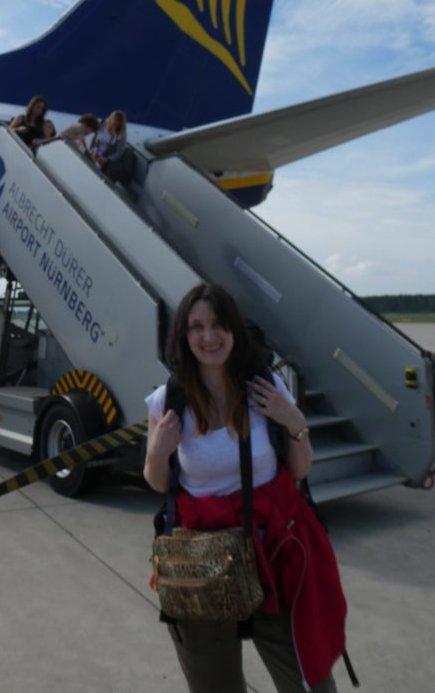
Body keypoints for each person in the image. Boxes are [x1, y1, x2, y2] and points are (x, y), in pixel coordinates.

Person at [144, 283, 347, 693]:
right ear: (184, 336)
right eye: (197, 327)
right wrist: (156, 453)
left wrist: (294, 421)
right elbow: (160, 484)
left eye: (219, 325)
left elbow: (300, 470)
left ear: (235, 331)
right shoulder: (168, 399)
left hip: (273, 552)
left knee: (311, 683)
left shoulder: (265, 385)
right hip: (201, 559)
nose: (209, 337)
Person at [94, 110, 134, 182]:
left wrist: (108, 159)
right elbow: (95, 137)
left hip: (107, 157)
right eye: (113, 122)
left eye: (116, 124)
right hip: (96, 151)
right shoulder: (102, 123)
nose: (113, 125)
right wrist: (94, 149)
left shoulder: (121, 134)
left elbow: (119, 152)